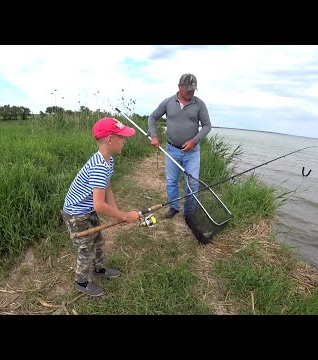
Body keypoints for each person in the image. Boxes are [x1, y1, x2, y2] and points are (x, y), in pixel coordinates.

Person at [61, 117, 142, 297]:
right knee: (86, 247)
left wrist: (118, 216)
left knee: (98, 240)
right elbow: (99, 204)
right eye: (122, 136)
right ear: (109, 139)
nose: (125, 140)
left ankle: (99, 269)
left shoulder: (108, 161)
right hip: (76, 213)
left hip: (87, 209)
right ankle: (81, 281)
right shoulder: (99, 166)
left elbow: (107, 191)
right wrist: (126, 215)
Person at [147, 73, 212, 223]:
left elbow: (207, 126)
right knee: (171, 181)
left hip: (192, 152)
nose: (191, 92)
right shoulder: (168, 102)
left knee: (193, 182)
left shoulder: (199, 104)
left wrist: (194, 141)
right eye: (188, 89)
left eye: (193, 89)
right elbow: (152, 117)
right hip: (172, 150)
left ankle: (189, 212)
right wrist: (154, 136)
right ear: (179, 87)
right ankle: (174, 207)